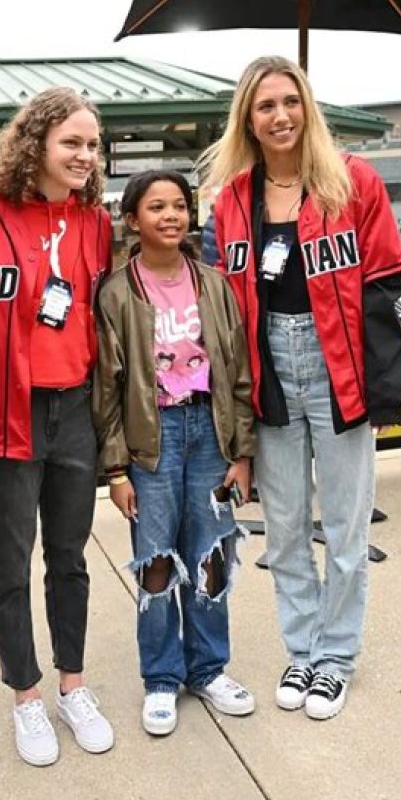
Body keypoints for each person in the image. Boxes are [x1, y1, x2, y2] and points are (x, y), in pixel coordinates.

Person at [200, 55, 401, 720]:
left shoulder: (354, 183)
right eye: (265, 106)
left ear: (307, 106)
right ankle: (303, 649)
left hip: (337, 361)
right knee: (286, 529)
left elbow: (383, 287)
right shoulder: (231, 199)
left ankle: (336, 658)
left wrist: (381, 388)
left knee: (345, 527)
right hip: (269, 371)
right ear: (248, 119)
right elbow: (220, 311)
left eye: (290, 101)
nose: (281, 115)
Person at [0, 87, 114, 767]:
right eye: (71, 142)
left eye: (93, 144)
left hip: (73, 407)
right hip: (5, 415)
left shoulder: (96, 220)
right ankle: (26, 692)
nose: (84, 155)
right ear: (35, 142)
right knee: (9, 564)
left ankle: (73, 684)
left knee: (70, 558)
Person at [92, 169, 256, 736]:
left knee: (210, 554)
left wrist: (242, 452)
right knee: (156, 559)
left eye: (180, 206)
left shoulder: (213, 284)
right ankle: (162, 676)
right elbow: (108, 389)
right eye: (156, 207)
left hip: (209, 434)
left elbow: (237, 373)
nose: (170, 216)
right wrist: (116, 469)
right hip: (151, 441)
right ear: (132, 220)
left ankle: (208, 668)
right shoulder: (116, 292)